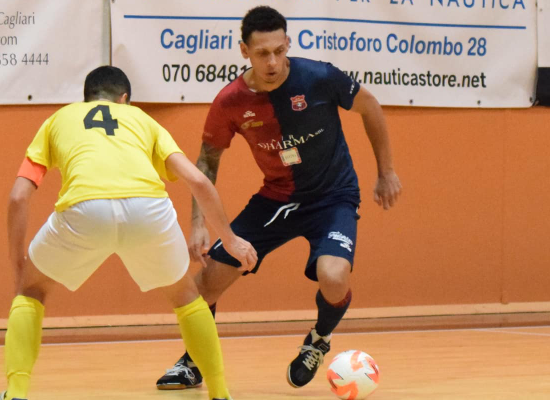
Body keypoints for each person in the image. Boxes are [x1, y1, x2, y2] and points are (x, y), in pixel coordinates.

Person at [156, 5, 402, 391]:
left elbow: (369, 107)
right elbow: (206, 161)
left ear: (288, 43)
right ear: (244, 51)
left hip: (333, 196)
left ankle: (318, 339)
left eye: (278, 51)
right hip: (276, 199)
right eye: (261, 53)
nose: (272, 62)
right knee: (204, 284)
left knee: (333, 277)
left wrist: (386, 171)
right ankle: (194, 362)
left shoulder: (319, 77)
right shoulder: (231, 101)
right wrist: (198, 224)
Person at [1, 66, 257, 400]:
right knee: (186, 298)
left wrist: (18, 266)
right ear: (124, 99)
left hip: (85, 208)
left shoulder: (58, 119)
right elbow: (197, 180)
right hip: (148, 209)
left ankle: (16, 393)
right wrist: (231, 239)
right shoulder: (142, 120)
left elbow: (18, 197)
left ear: (87, 97)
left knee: (31, 291)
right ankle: (220, 393)